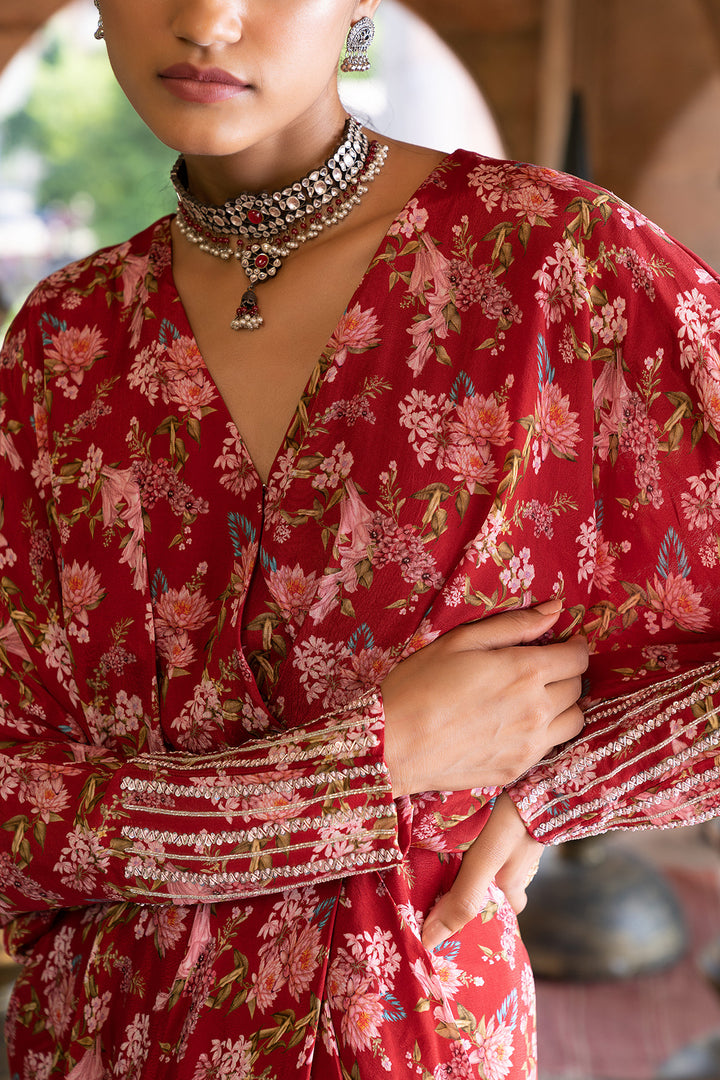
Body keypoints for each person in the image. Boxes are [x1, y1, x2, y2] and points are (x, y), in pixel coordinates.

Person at [0, 1, 717, 1076]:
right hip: (94, 1042)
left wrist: (560, 791)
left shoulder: (558, 267)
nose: (205, 19)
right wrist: (373, 768)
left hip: (404, 1037)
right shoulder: (64, 341)